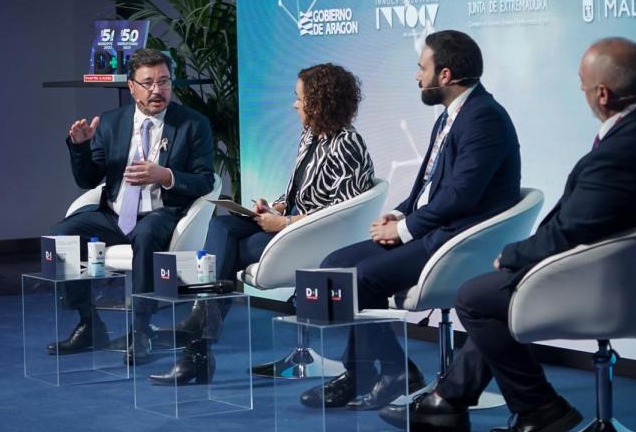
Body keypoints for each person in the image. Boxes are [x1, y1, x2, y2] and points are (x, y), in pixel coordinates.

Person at [379, 37, 636, 432]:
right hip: (623, 270)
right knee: (486, 295)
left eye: (582, 86)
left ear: (602, 93)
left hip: (610, 282)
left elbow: (572, 230)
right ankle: (451, 400)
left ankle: (537, 408)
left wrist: (513, 255)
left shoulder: (624, 151)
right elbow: (584, 221)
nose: (581, 94)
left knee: (475, 296)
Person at [301, 30, 523, 410]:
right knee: (335, 265)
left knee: (364, 277)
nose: (416, 76)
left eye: (422, 68)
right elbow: (430, 185)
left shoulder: (483, 118)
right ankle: (370, 371)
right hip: (433, 228)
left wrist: (403, 230)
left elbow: (461, 197)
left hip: (456, 240)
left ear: (446, 75)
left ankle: (387, 372)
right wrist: (401, 212)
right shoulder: (453, 115)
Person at [148, 63, 375, 385]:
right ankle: (199, 335)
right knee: (222, 227)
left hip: (313, 236)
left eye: (299, 98)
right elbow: (299, 189)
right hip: (290, 223)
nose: (294, 104)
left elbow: (343, 211)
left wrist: (285, 221)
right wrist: (275, 206)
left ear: (320, 101)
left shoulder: (347, 143)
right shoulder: (311, 134)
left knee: (230, 251)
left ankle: (197, 343)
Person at [46, 48, 215, 361]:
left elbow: (205, 181)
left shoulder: (193, 124)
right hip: (112, 215)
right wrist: (80, 147)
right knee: (60, 237)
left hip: (161, 212)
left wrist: (165, 175)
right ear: (132, 87)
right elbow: (88, 179)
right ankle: (88, 324)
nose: (157, 90)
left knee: (146, 234)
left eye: (164, 82)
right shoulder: (112, 123)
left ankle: (140, 329)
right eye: (148, 83)